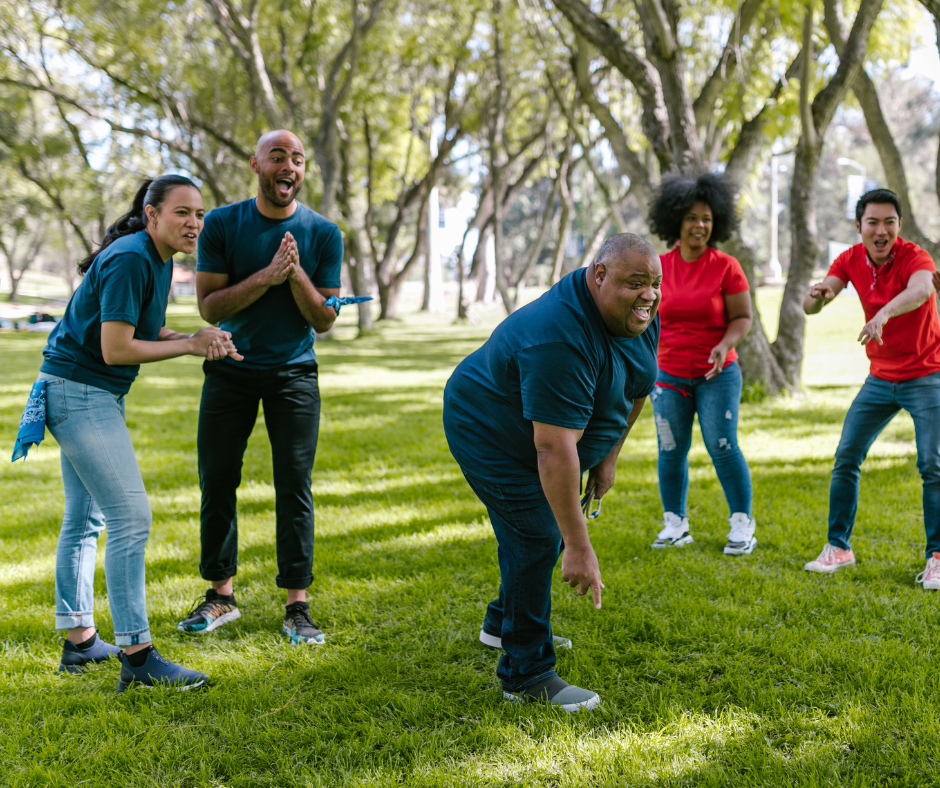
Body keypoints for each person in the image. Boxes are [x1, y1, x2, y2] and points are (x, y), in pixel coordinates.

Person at [36, 175, 240, 691]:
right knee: (131, 517)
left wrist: (197, 336)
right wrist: (190, 348)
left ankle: (80, 642)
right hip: (80, 391)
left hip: (80, 390)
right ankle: (138, 654)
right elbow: (116, 349)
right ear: (151, 215)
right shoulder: (131, 257)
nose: (194, 222)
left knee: (85, 519)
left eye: (199, 213)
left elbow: (143, 332)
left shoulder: (156, 258)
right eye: (182, 213)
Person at [443, 233, 662, 712]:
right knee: (539, 534)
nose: (649, 295)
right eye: (636, 283)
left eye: (654, 284)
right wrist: (580, 547)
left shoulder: (637, 312)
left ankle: (503, 623)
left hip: (542, 433)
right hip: (486, 428)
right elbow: (552, 449)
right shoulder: (559, 336)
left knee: (544, 530)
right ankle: (526, 674)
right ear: (598, 275)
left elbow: (639, 384)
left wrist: (609, 455)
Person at [178, 130, 343, 644]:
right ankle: (220, 596)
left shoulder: (323, 233)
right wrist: (268, 275)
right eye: (278, 156)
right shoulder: (224, 223)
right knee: (218, 479)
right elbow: (210, 307)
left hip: (294, 374)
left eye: (297, 158)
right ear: (256, 164)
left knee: (294, 485)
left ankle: (297, 605)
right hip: (228, 367)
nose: (288, 165)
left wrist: (295, 278)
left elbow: (325, 320)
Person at [803, 189, 940, 588]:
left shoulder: (915, 257)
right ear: (859, 226)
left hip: (927, 374)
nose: (881, 231)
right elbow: (818, 301)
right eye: (873, 222)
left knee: (933, 465)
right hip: (880, 378)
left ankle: (936, 556)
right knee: (847, 455)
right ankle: (838, 547)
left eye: (889, 222)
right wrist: (819, 295)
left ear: (899, 225)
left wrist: (882, 313)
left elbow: (921, 290)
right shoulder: (849, 258)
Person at [645, 174, 756, 554]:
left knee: (723, 445)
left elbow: (742, 317)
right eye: (692, 217)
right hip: (669, 375)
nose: (700, 225)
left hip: (717, 374)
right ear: (675, 220)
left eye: (707, 218)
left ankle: (742, 524)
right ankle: (675, 523)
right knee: (670, 449)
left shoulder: (726, 266)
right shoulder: (657, 267)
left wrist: (725, 345)